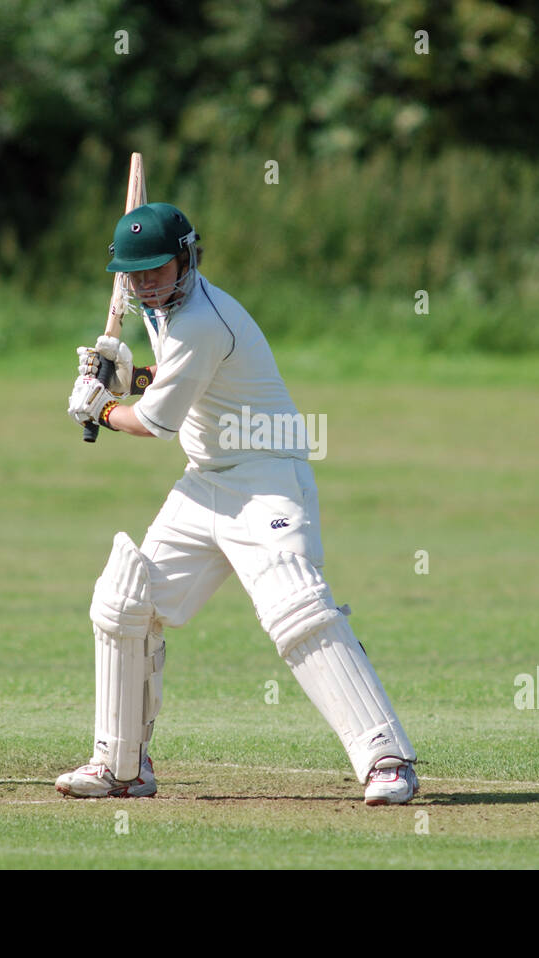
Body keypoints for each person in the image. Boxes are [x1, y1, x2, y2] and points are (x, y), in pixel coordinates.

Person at [61, 201, 417, 805]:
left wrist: (101, 406)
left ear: (186, 260)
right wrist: (131, 375)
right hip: (206, 482)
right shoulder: (163, 308)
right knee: (125, 600)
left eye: (157, 270)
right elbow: (183, 380)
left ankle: (387, 759)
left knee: (293, 606)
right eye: (135, 273)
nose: (146, 284)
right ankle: (121, 765)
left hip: (266, 477)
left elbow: (153, 424)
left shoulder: (202, 318)